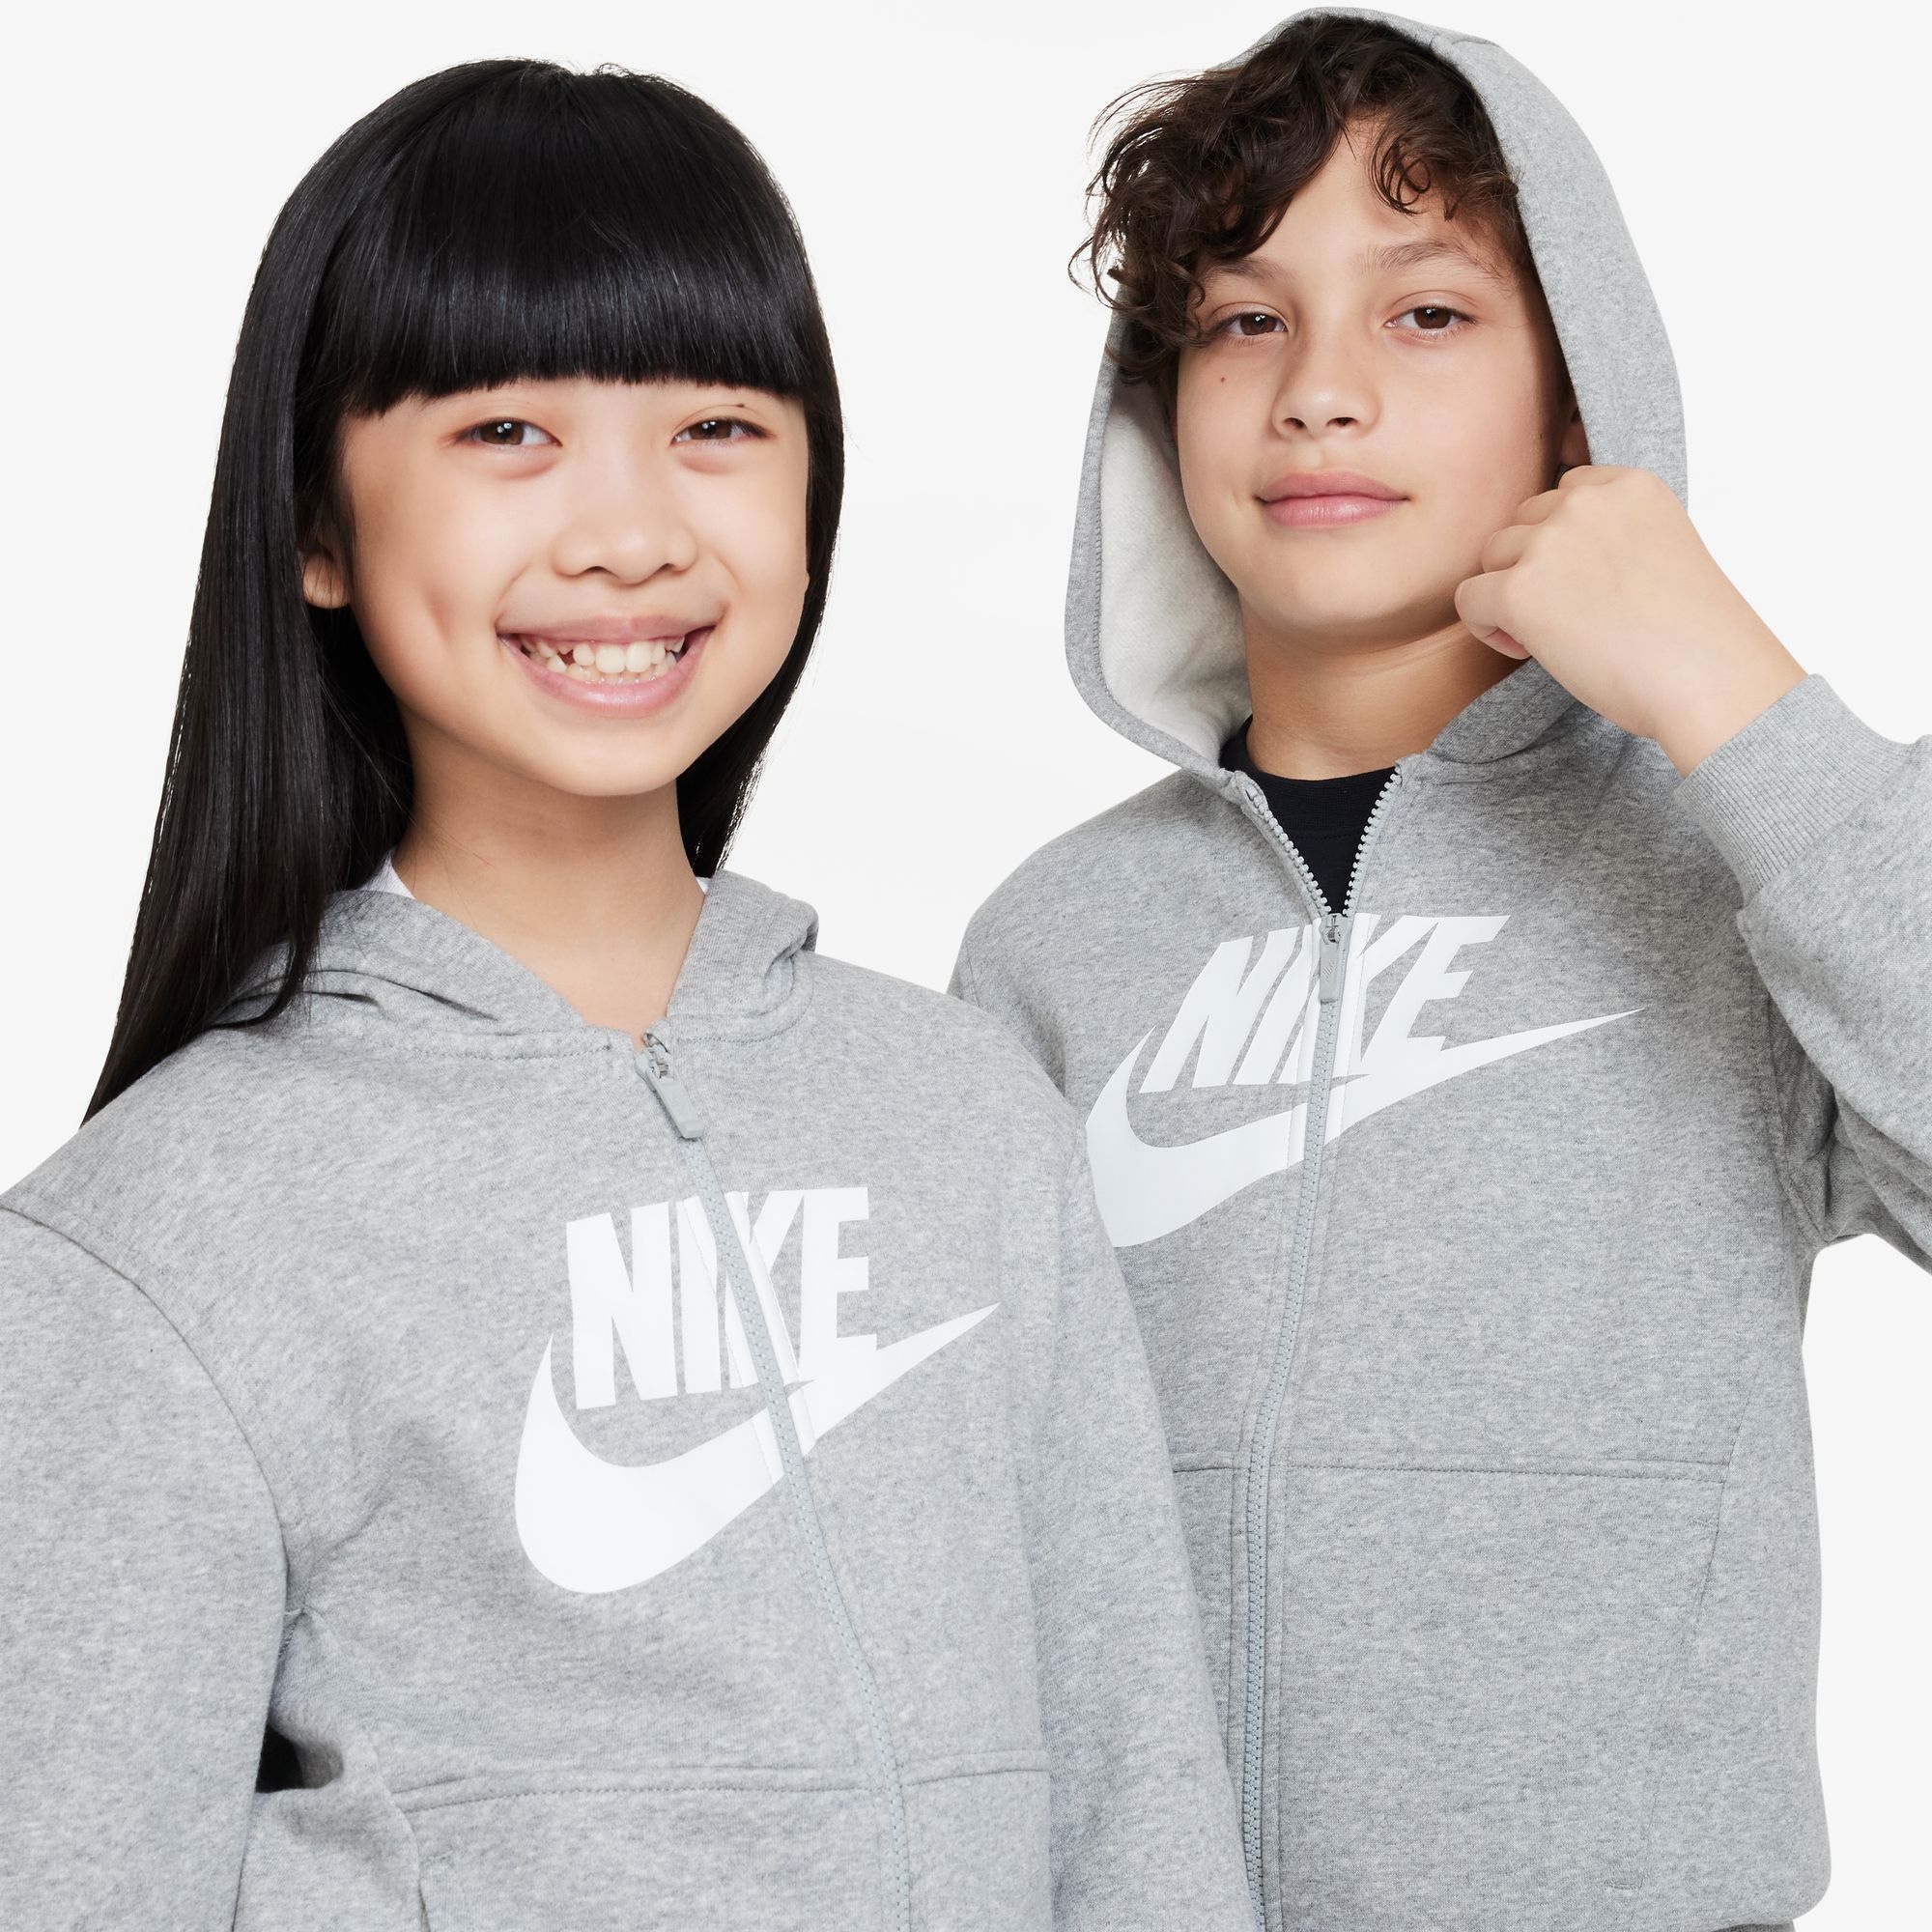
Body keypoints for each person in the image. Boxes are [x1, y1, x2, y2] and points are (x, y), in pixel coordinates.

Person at [0, 60, 1255, 1932]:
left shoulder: (966, 1115)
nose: (630, 531)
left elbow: (1140, 1806)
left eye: (716, 426)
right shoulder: (152, 1242)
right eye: (508, 429)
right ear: (317, 526)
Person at [949, 8, 1932, 1930]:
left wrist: (1732, 696)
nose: (1319, 393)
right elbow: (982, 1530)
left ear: (1578, 401)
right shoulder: (1052, 944)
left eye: (1425, 313)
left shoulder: (1738, 854)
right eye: (1243, 320)